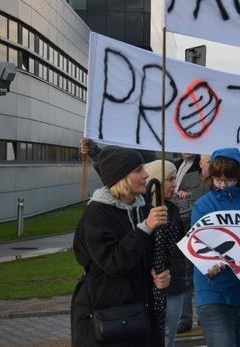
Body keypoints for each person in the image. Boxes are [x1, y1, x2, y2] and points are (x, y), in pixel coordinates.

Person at [71, 146, 171, 346]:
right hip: (104, 316)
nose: (145, 175)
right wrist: (145, 228)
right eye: (138, 170)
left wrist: (158, 272)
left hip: (139, 311)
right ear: (121, 177)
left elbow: (152, 250)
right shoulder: (97, 214)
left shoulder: (143, 208)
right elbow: (113, 262)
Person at [191, 148, 240, 347]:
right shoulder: (202, 205)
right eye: (218, 180)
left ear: (239, 177)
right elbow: (197, 244)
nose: (223, 185)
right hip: (213, 290)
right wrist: (207, 263)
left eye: (229, 180)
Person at [142, 160, 189, 347]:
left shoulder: (174, 210)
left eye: (175, 179)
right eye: (169, 179)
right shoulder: (141, 211)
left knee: (168, 339)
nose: (174, 184)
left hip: (174, 284)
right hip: (148, 289)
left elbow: (180, 245)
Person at [177, 153, 212, 334]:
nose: (210, 165)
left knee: (207, 278)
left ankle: (204, 317)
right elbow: (176, 199)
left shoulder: (218, 182)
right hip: (187, 234)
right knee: (185, 278)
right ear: (200, 163)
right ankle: (184, 319)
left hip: (210, 238)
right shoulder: (188, 178)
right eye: (208, 162)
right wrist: (180, 195)